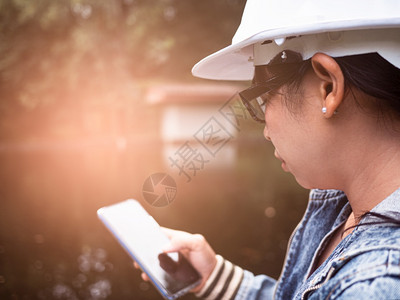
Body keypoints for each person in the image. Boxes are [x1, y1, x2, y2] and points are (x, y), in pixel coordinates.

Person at [138, 0, 400, 299]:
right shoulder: (348, 206)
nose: (265, 130)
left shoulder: (374, 287)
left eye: (263, 100)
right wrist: (217, 279)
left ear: (327, 87)